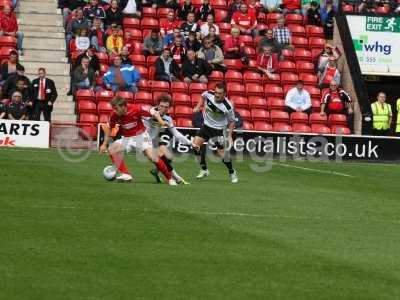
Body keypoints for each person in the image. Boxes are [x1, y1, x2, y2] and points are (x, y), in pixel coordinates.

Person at [99, 96, 177, 185]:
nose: (114, 111)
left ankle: (170, 178)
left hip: (141, 136)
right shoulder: (114, 115)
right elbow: (109, 128)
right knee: (112, 149)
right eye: (114, 108)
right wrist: (104, 144)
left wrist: (161, 121)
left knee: (153, 157)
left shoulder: (136, 108)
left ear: (123, 106)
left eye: (116, 108)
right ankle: (126, 174)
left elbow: (155, 112)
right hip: (127, 138)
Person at [192, 82, 238, 183]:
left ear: (224, 94)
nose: (217, 95)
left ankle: (232, 172)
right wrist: (198, 106)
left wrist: (230, 135)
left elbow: (232, 121)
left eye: (220, 93)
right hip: (206, 126)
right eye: (216, 92)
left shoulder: (228, 107)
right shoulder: (208, 94)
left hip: (218, 130)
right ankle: (204, 170)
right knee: (195, 146)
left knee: (220, 152)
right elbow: (202, 97)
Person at [145, 94, 192, 184]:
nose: (163, 109)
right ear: (158, 105)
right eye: (161, 106)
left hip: (154, 139)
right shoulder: (151, 112)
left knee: (169, 157)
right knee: (163, 158)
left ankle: (156, 171)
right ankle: (175, 177)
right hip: (144, 140)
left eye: (166, 107)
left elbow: (176, 134)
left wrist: (190, 143)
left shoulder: (168, 118)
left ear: (169, 108)